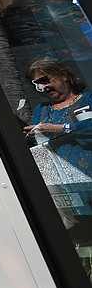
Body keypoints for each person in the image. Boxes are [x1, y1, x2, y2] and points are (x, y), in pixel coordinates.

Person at [23, 59, 92, 248]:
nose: (42, 88)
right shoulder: (42, 110)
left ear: (63, 75)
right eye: (36, 85)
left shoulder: (88, 100)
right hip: (62, 187)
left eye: (45, 80)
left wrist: (61, 128)